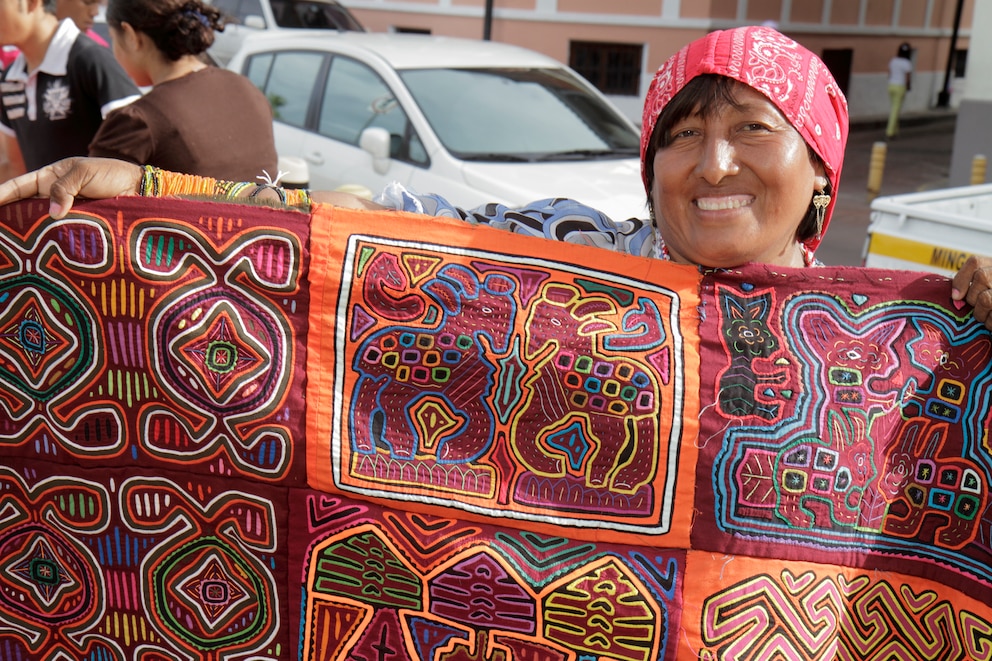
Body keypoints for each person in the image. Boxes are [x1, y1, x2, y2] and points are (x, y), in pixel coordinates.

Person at [0, 26, 990, 329]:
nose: (712, 162)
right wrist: (151, 197)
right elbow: (365, 215)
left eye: (750, 129)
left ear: (821, 172)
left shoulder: (886, 335)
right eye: (680, 135)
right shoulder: (572, 253)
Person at [86, 0, 279, 182]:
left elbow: (88, 209)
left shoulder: (138, 120)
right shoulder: (248, 90)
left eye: (113, 38)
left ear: (130, 36)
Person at [0, 0, 140, 177]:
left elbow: (139, 141)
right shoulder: (11, 78)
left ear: (31, 3)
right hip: (44, 205)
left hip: (96, 204)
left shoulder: (90, 59)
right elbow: (13, 166)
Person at [886, 42, 913, 140]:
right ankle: (889, 132)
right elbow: (907, 77)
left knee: (894, 108)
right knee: (895, 110)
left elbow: (889, 73)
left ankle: (895, 131)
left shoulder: (893, 61)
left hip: (891, 85)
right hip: (900, 87)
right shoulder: (907, 63)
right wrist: (908, 86)